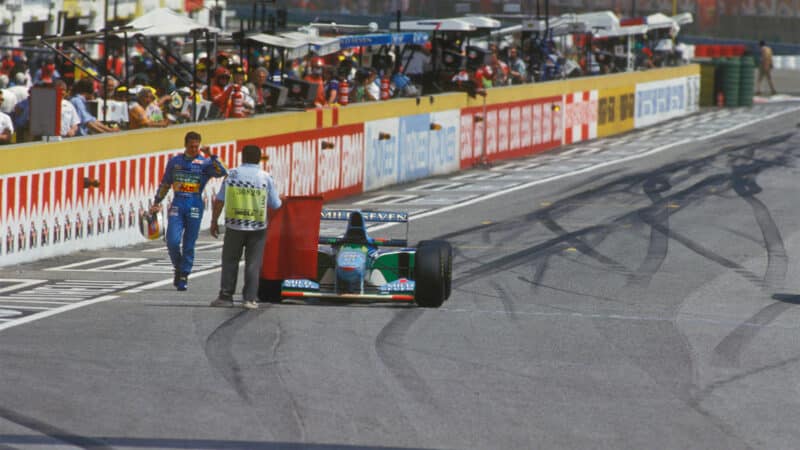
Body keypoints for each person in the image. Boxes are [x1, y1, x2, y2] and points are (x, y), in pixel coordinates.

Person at [150, 131, 227, 291]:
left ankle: (184, 274)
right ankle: (179, 267)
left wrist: (211, 155)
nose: (194, 149)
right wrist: (157, 202)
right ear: (185, 145)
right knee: (172, 241)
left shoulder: (205, 163)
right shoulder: (174, 162)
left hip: (195, 204)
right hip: (178, 203)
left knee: (189, 244)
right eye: (191, 146)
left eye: (196, 146)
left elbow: (222, 172)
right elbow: (165, 183)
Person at [209, 145, 282, 309]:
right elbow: (275, 204)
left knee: (230, 261)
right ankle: (249, 299)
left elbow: (220, 200)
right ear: (259, 158)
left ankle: (226, 297)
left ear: (242, 158)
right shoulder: (265, 177)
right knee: (253, 264)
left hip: (234, 225)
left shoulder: (232, 175)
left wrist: (214, 221)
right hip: (257, 227)